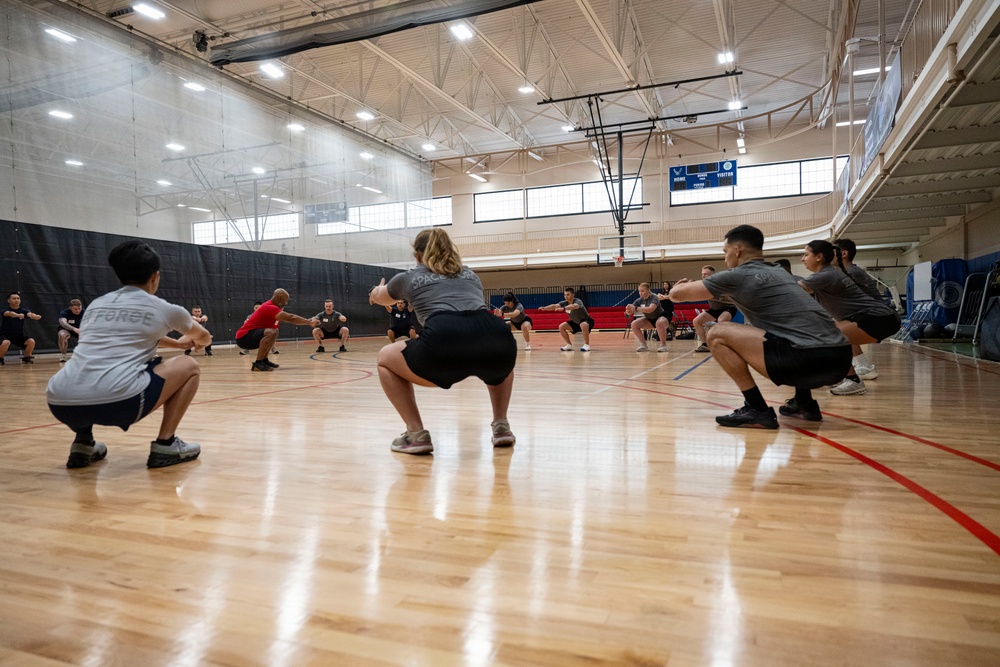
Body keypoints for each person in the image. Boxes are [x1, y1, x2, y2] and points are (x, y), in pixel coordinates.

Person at [45, 240, 211, 469]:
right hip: (120, 403)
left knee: (87, 368)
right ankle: (166, 444)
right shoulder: (164, 308)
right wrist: (197, 343)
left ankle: (83, 442)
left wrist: (176, 344)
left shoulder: (96, 305)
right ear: (155, 276)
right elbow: (203, 336)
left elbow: (134, 334)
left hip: (61, 401)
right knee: (189, 366)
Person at [669, 225, 852, 428]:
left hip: (806, 363)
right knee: (794, 330)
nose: (725, 258)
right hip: (841, 359)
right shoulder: (780, 272)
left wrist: (676, 287)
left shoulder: (737, 275)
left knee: (717, 332)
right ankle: (804, 401)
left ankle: (756, 408)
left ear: (736, 250)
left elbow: (677, 296)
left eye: (725, 251)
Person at [368, 228, 517, 454]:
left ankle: (416, 434)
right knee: (499, 360)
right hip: (495, 333)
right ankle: (501, 426)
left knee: (385, 359)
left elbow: (380, 297)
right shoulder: (471, 275)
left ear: (418, 255)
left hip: (445, 339)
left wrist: (376, 290)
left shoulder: (407, 278)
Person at [799, 240, 901, 396]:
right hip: (880, 318)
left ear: (819, 257)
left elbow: (791, 289)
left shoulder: (826, 274)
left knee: (830, 335)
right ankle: (846, 374)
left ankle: (853, 380)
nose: (802, 259)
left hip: (879, 318)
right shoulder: (827, 274)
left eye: (806, 254)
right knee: (831, 330)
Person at [235, 290, 319, 371]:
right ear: (279, 299)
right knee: (271, 332)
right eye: (285, 301)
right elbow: (291, 318)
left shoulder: (273, 308)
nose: (286, 303)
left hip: (250, 335)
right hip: (244, 337)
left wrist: (308, 320)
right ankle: (258, 364)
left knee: (275, 332)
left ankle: (264, 360)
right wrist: (309, 322)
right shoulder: (269, 307)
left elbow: (288, 319)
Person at [834, 238, 882, 379]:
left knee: (835, 327)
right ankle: (860, 365)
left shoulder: (851, 272)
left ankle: (861, 367)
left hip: (877, 319)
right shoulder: (847, 271)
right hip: (869, 316)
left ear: (843, 253)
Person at [692, 266, 738, 353]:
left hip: (728, 308)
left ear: (712, 274)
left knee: (721, 320)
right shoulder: (704, 285)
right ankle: (705, 345)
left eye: (705, 274)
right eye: (702, 274)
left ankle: (726, 344)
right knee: (696, 321)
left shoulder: (719, 283)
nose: (703, 276)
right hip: (715, 309)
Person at [540, 287, 594, 352]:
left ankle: (587, 345)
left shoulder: (578, 301)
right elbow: (555, 306)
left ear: (573, 295)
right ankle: (569, 345)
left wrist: (564, 308)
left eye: (568, 294)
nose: (566, 296)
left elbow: (575, 306)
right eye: (565, 295)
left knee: (583, 324)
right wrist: (545, 308)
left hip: (586, 320)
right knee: (561, 326)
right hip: (576, 322)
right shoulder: (564, 303)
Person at [626, 282, 671, 352]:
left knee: (659, 323)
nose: (640, 293)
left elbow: (650, 309)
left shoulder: (654, 297)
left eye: (642, 291)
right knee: (634, 324)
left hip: (662, 317)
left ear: (648, 290)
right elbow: (631, 310)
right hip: (650, 319)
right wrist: (628, 310)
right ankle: (643, 345)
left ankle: (663, 345)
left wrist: (636, 308)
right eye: (639, 291)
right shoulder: (639, 300)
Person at [1, 292, 42, 364]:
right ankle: (0, 358)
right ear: (8, 300)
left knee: (31, 341)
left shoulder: (23, 310)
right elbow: (9, 313)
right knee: (6, 342)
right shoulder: (5, 309)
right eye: (14, 298)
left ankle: (26, 357)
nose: (16, 300)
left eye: (18, 298)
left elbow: (29, 314)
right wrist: (17, 315)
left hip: (18, 335)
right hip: (5, 335)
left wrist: (35, 316)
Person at [56, 298, 85, 362]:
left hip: (80, 329)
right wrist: (74, 329)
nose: (77, 311)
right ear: (70, 308)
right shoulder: (65, 313)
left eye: (79, 308)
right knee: (62, 335)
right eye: (75, 309)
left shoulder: (85, 313)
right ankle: (63, 355)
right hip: (67, 329)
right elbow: (63, 323)